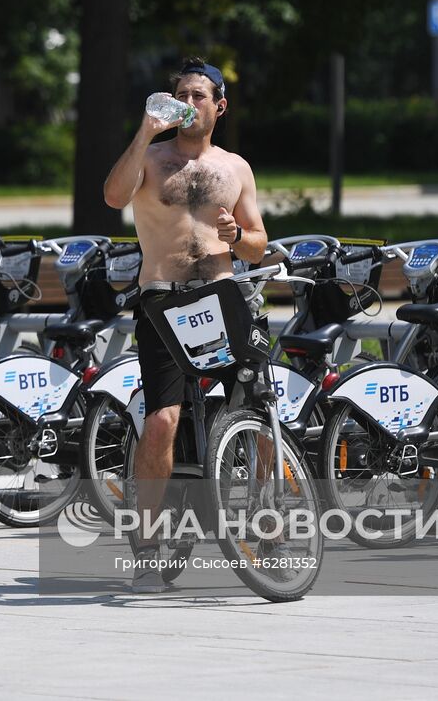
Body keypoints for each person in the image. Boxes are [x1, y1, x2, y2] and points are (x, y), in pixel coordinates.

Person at [102, 56, 268, 593]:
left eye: (199, 96)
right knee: (163, 421)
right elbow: (111, 196)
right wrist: (145, 131)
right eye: (181, 96)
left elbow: (259, 246)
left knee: (262, 411)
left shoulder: (236, 168)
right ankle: (148, 547)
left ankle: (267, 528)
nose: (189, 104)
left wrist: (236, 236)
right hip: (163, 300)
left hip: (220, 294)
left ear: (219, 105)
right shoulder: (150, 159)